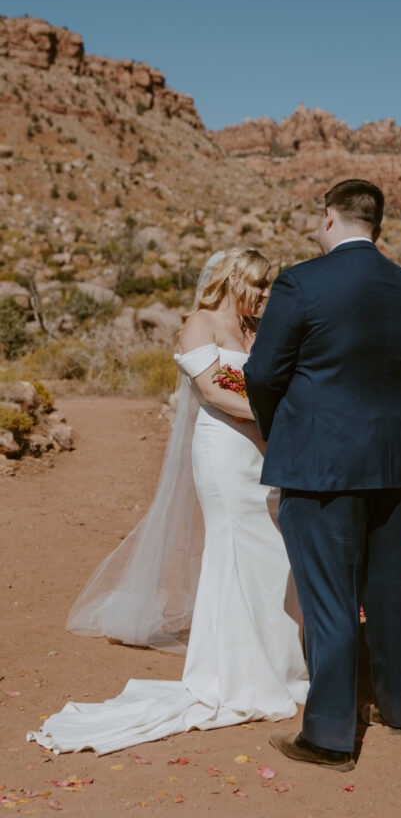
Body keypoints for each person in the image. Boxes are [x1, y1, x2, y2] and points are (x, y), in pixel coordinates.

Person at [27, 248, 308, 755]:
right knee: (235, 550)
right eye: (260, 285)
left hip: (264, 456)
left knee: (274, 554)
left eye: (270, 286)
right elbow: (216, 392)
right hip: (225, 452)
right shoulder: (200, 324)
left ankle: (280, 665)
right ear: (232, 279)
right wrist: (282, 425)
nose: (267, 295)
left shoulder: (257, 331)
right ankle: (235, 671)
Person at [244, 179, 401, 772]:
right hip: (395, 461)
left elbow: (262, 373)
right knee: (386, 589)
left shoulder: (302, 281)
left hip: (321, 463)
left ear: (330, 218)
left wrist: (283, 430)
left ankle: (329, 735)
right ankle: (397, 708)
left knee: (328, 597)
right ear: (375, 224)